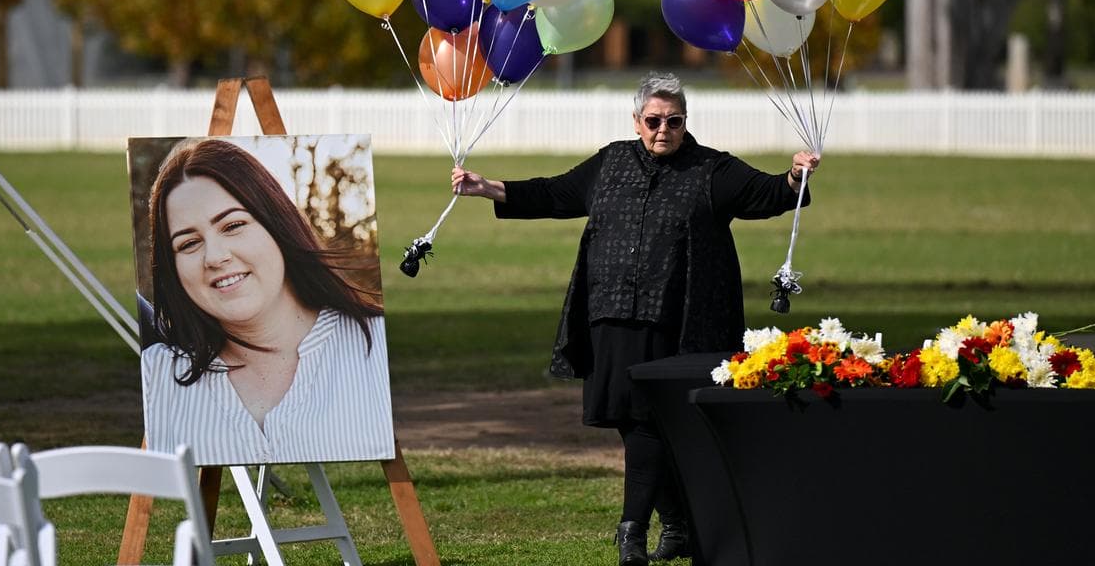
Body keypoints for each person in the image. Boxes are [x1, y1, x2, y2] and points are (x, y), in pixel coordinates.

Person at [452, 73, 819, 566]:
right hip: (610, 312)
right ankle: (678, 525)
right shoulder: (612, 162)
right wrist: (487, 188)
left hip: (676, 320)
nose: (663, 130)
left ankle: (632, 533)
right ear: (636, 121)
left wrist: (794, 176)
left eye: (674, 121)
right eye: (653, 121)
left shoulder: (712, 168)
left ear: (686, 122)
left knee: (647, 420)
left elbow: (768, 193)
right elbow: (555, 193)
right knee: (632, 421)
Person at [141, 138, 393, 466]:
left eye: (233, 226)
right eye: (188, 244)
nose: (214, 257)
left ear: (276, 224)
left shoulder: (376, 348)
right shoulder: (157, 374)